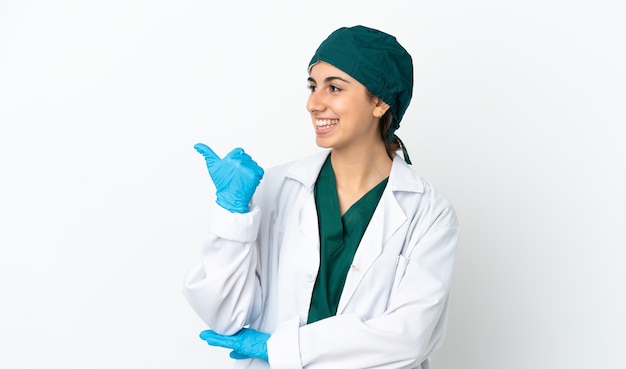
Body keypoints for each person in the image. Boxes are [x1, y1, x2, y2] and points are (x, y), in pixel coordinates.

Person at [183, 25, 460, 369]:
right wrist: (231, 214)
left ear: (380, 101)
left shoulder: (428, 212)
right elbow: (223, 316)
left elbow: (410, 336)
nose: (314, 103)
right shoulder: (277, 187)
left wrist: (285, 350)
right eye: (313, 86)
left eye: (334, 88)